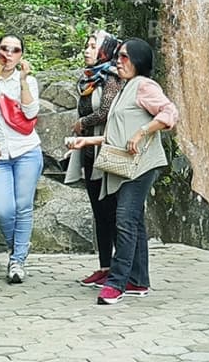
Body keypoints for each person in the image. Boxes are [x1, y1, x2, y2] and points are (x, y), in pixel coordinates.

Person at [65, 37, 177, 305]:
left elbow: (170, 112)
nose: (119, 61)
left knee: (124, 219)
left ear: (139, 60)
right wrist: (86, 141)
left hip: (141, 165)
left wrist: (142, 132)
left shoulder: (145, 85)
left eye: (125, 57)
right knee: (133, 222)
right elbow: (117, 134)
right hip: (126, 164)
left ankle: (116, 283)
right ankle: (138, 281)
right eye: (118, 56)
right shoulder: (125, 87)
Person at [63, 30, 123, 287]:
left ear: (105, 50)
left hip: (106, 151)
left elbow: (106, 111)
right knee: (99, 213)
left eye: (92, 46)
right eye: (86, 46)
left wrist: (82, 123)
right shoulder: (90, 78)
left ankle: (122, 269)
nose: (86, 51)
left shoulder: (112, 77)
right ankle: (105, 266)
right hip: (89, 154)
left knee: (111, 212)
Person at [0, 34, 42, 284]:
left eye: (15, 50)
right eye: (4, 48)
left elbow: (31, 112)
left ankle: (17, 261)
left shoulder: (27, 80)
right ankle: (19, 248)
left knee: (23, 206)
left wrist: (23, 81)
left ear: (21, 56)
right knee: (3, 210)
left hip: (27, 151)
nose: (8, 54)